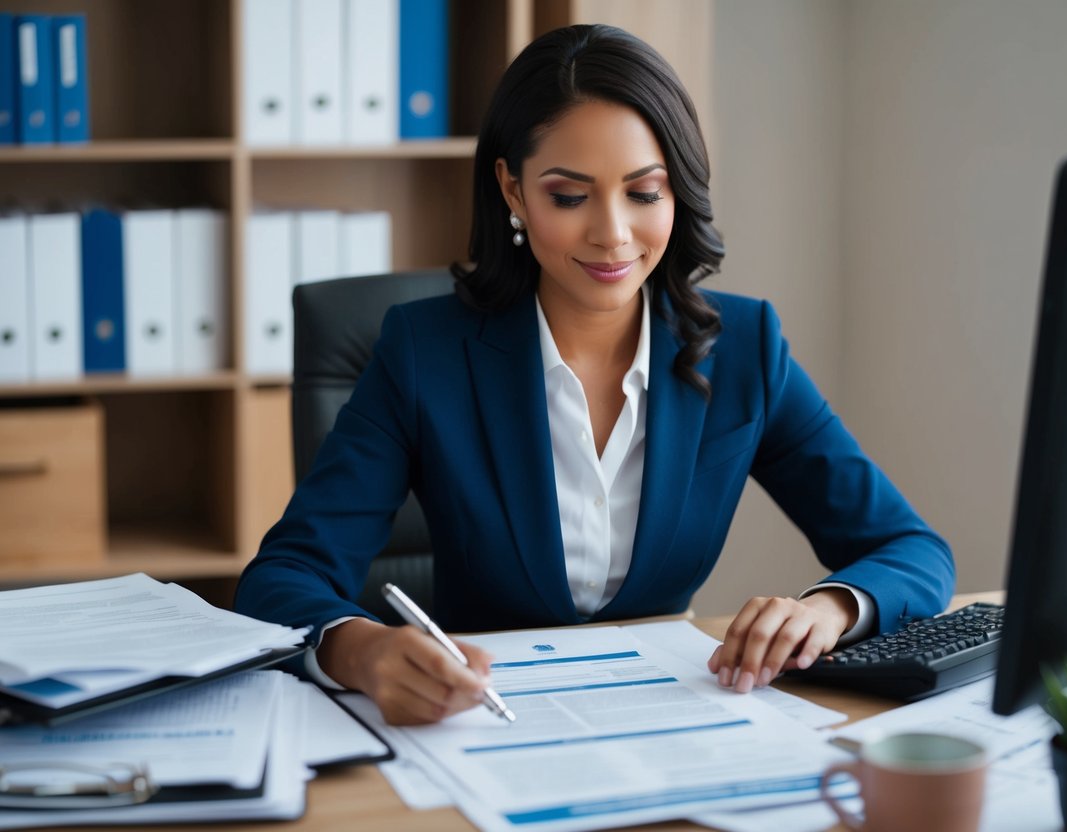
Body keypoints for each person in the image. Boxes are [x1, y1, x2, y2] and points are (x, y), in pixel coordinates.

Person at [234, 24, 954, 725]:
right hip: (474, 725)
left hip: (674, 722)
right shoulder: (424, 352)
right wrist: (361, 651)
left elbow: (910, 549)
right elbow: (281, 579)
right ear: (512, 191)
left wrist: (827, 608)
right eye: (569, 196)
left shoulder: (744, 348)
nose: (611, 233)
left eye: (644, 193)